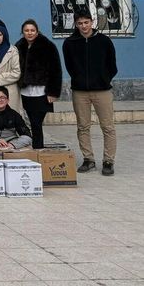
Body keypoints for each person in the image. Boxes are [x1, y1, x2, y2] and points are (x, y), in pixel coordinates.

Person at [62, 10, 118, 176]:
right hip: (80, 92)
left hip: (102, 91)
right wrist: (79, 78)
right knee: (83, 126)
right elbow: (70, 66)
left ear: (92, 22)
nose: (83, 26)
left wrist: (103, 79)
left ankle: (108, 161)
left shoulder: (104, 41)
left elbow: (112, 65)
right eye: (80, 23)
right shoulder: (70, 43)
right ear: (76, 24)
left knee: (108, 127)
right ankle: (88, 159)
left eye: (86, 22)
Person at [15, 19, 62, 150]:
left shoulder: (47, 46)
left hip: (42, 91)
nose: (29, 33)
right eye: (26, 30)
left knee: (36, 122)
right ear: (22, 32)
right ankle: (37, 147)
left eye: (32, 30)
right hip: (25, 91)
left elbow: (55, 69)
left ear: (37, 31)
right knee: (32, 121)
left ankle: (38, 148)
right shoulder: (18, 46)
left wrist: (53, 92)